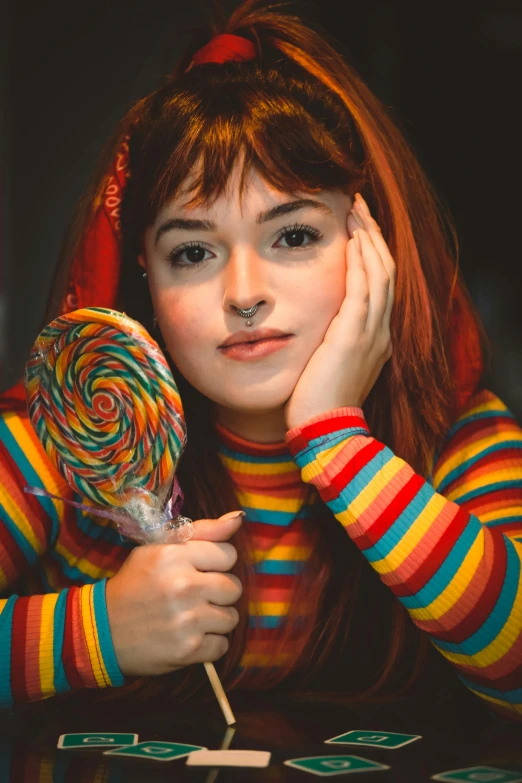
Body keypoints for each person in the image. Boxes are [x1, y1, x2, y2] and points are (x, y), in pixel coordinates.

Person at [1, 0, 521, 725]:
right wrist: (101, 632)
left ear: (368, 242)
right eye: (193, 252)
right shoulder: (70, 439)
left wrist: (338, 441)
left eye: (295, 235)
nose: (245, 293)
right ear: (143, 274)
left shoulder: (454, 431)